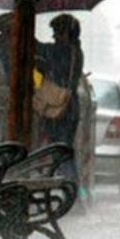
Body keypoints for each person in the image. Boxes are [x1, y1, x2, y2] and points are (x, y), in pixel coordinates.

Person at [35, 13, 85, 185]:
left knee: (61, 152)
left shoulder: (61, 51)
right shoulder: (76, 52)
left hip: (61, 107)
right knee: (62, 150)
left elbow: (38, 50)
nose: (54, 36)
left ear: (66, 33)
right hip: (69, 106)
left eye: (57, 32)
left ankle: (71, 192)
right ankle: (70, 191)